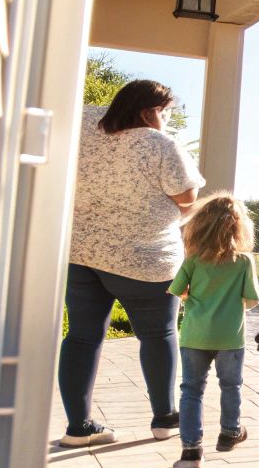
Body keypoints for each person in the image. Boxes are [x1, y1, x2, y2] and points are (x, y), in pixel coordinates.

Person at [58, 80, 204, 447]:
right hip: (144, 260)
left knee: (81, 337)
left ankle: (78, 427)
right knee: (159, 335)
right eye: (165, 112)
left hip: (83, 254)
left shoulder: (85, 126)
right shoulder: (160, 144)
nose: (167, 119)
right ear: (148, 112)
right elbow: (187, 196)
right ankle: (164, 418)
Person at [167, 194, 259, 468]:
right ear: (238, 227)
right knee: (231, 386)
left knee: (191, 390)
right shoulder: (243, 262)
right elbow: (252, 300)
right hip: (230, 339)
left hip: (194, 336)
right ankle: (230, 431)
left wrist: (194, 297)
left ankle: (191, 451)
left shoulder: (193, 261)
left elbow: (176, 291)